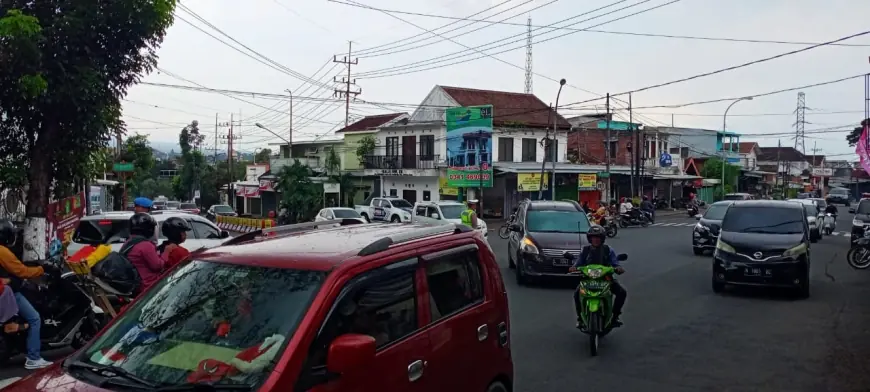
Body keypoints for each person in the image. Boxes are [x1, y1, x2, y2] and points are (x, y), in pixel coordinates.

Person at [0, 220, 53, 369]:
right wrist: (41, 269)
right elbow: (21, 271)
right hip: (6, 293)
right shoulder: (2, 251)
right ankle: (33, 358)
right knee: (35, 318)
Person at [568, 225, 627, 327]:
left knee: (622, 292)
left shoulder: (608, 250)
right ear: (590, 238)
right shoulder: (585, 250)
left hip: (605, 279)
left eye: (598, 237)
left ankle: (615, 316)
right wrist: (574, 267)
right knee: (577, 294)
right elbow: (578, 263)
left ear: (602, 239)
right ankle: (580, 318)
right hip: (588, 279)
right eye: (593, 237)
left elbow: (615, 263)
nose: (595, 240)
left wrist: (618, 268)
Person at [124, 213, 165, 294]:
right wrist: (166, 253)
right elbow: (157, 266)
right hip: (148, 287)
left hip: (134, 285)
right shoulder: (146, 245)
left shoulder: (128, 243)